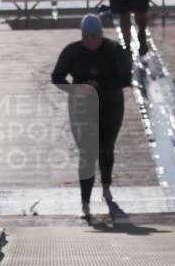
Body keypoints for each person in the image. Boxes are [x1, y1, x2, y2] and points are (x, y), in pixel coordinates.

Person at [51, 14, 132, 219]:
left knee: (106, 148)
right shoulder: (72, 51)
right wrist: (77, 89)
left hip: (110, 106)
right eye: (86, 37)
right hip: (82, 106)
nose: (90, 41)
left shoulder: (114, 50)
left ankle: (106, 186)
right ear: (82, 36)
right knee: (87, 153)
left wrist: (100, 86)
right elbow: (57, 77)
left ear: (101, 34)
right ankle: (85, 202)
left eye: (94, 36)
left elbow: (126, 78)